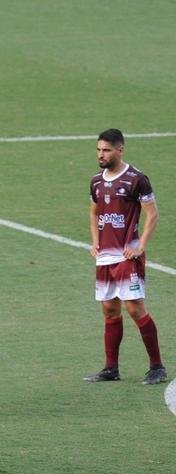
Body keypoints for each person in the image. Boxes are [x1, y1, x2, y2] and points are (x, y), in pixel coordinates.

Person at [84, 128, 165, 384]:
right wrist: (95, 243)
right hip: (105, 256)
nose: (101, 154)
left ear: (120, 150)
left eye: (106, 150)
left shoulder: (137, 179)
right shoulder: (96, 181)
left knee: (135, 308)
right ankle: (111, 368)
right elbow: (94, 212)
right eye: (98, 150)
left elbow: (152, 214)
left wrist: (140, 245)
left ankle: (157, 367)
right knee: (109, 310)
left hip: (128, 256)